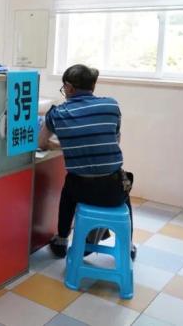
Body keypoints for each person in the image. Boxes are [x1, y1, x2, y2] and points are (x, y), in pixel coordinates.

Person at [38, 64, 135, 260]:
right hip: (113, 191)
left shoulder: (57, 114)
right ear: (93, 85)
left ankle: (61, 240)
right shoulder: (111, 106)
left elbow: (41, 143)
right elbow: (114, 140)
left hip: (80, 191)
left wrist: (65, 146)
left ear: (69, 87)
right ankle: (129, 246)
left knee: (68, 191)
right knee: (124, 188)